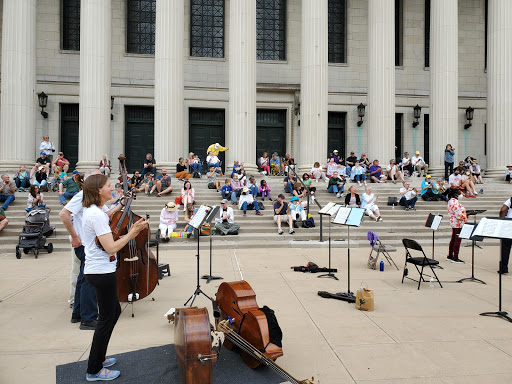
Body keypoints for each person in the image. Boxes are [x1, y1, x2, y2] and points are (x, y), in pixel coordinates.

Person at [81, 174, 147, 381]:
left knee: (113, 312)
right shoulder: (97, 216)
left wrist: (120, 206)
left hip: (99, 271)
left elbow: (108, 214)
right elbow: (111, 247)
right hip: (101, 272)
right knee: (106, 318)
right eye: (109, 186)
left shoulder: (96, 211)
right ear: (99, 190)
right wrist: (133, 232)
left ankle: (99, 358)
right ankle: (94, 369)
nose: (113, 189)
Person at [447, 189, 467, 263]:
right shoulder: (455, 202)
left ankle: (450, 255)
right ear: (456, 194)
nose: (461, 194)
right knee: (457, 241)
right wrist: (466, 215)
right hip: (458, 223)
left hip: (454, 223)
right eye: (460, 193)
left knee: (453, 240)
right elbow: (459, 215)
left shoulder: (450, 201)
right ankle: (455, 257)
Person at [499, 198, 512, 274]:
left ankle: (504, 268)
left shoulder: (510, 199)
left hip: (509, 224)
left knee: (506, 247)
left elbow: (503, 210)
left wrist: (501, 221)